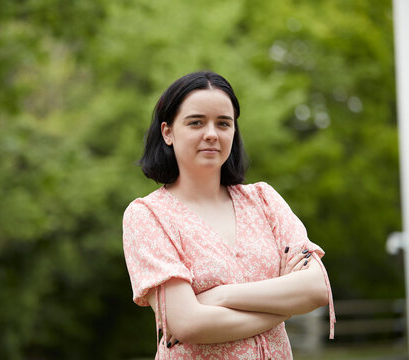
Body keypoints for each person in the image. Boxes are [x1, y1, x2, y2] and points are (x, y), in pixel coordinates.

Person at [122, 71, 335, 359]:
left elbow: (317, 288)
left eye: (223, 123)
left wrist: (219, 297)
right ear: (168, 132)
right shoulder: (148, 216)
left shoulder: (264, 201)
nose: (212, 133)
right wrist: (284, 305)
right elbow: (188, 323)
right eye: (196, 122)